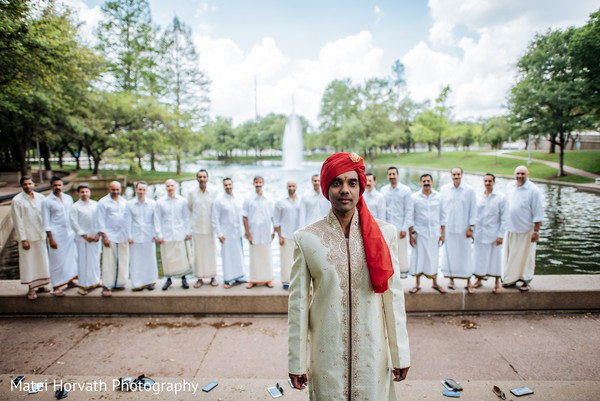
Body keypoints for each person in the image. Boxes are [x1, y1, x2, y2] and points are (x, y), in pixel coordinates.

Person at [288, 153, 410, 400]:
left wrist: (401, 354)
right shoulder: (306, 239)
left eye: (352, 183)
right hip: (326, 355)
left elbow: (393, 298)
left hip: (372, 353)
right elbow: (298, 305)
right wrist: (296, 361)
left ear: (360, 187)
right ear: (326, 188)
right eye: (337, 183)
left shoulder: (384, 234)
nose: (344, 190)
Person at [502, 166, 544, 291]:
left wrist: (536, 232)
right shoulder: (510, 186)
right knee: (510, 256)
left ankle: (525, 280)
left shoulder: (533, 190)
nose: (520, 176)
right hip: (510, 229)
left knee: (526, 257)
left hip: (526, 230)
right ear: (514, 174)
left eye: (523, 173)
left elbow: (538, 213)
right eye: (518, 173)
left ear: (528, 174)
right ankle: (509, 279)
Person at [10, 176, 51, 300]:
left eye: (29, 183)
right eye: (25, 184)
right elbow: (17, 221)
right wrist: (23, 239)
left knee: (42, 261)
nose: (28, 186)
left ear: (34, 184)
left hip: (40, 235)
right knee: (29, 263)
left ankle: (42, 285)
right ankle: (32, 288)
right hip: (28, 237)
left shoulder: (41, 198)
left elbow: (45, 217)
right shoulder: (17, 200)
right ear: (21, 186)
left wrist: (48, 234)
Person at [408, 174, 447, 294]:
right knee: (418, 258)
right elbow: (410, 217)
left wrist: (442, 234)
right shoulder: (415, 197)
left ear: (432, 182)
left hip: (434, 233)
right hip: (419, 233)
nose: (426, 183)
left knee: (434, 257)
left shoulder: (439, 197)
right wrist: (410, 236)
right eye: (424, 181)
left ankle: (435, 283)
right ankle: (417, 284)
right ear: (420, 183)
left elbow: (443, 217)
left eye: (428, 181)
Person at [440, 167, 477, 293]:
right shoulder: (444, 190)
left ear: (462, 175)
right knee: (449, 254)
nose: (456, 176)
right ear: (451, 175)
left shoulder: (469, 190)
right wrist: (442, 229)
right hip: (449, 228)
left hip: (464, 228)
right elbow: (441, 210)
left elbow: (473, 210)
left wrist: (471, 227)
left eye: (458, 174)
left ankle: (468, 281)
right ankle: (451, 280)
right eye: (454, 174)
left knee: (466, 255)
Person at [42, 176, 78, 296]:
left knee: (71, 258)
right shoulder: (47, 201)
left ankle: (70, 280)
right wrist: (50, 238)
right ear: (51, 186)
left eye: (59, 185)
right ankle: (56, 286)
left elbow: (72, 216)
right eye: (55, 185)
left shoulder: (68, 198)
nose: (57, 188)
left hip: (69, 233)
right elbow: (46, 222)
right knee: (56, 260)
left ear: (62, 186)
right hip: (56, 235)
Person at [472, 174, 506, 294]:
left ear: (494, 182)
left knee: (495, 259)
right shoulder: (478, 197)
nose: (487, 183)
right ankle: (479, 279)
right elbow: (474, 216)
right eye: (485, 181)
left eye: (490, 181)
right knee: (479, 258)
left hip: (494, 233)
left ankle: (497, 283)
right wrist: (472, 231)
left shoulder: (500, 197)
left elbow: (504, 218)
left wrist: (501, 235)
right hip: (480, 233)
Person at [156, 179, 192, 291]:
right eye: (168, 186)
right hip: (166, 234)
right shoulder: (160, 202)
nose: (170, 188)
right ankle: (168, 279)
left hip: (179, 232)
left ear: (175, 187)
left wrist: (187, 232)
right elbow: (157, 219)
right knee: (168, 258)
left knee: (181, 257)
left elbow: (186, 217)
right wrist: (159, 234)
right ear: (165, 188)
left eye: (172, 186)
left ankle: (183, 278)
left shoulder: (182, 201)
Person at [96, 181, 129, 297]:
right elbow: (100, 221)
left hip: (122, 235)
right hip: (109, 235)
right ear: (108, 189)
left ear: (121, 190)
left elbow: (127, 219)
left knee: (122, 260)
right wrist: (104, 236)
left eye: (117, 189)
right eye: (113, 189)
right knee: (109, 261)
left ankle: (119, 282)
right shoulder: (102, 202)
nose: (115, 192)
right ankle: (106, 285)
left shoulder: (124, 202)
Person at [212, 178, 246, 288]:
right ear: (223, 186)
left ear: (233, 185)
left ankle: (240, 277)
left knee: (239, 255)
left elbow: (243, 215)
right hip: (226, 234)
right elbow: (215, 218)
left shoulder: (239, 198)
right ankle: (228, 280)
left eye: (230, 184)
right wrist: (219, 234)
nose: (228, 187)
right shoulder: (219, 200)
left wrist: (245, 230)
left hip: (237, 232)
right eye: (226, 185)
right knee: (227, 257)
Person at [125, 181, 159, 291]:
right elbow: (127, 221)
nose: (142, 192)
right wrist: (129, 236)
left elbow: (155, 220)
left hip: (149, 235)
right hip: (135, 236)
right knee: (136, 260)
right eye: (140, 189)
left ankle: (150, 281)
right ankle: (137, 283)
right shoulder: (129, 204)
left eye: (144, 190)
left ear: (146, 191)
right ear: (136, 190)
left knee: (149, 259)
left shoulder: (152, 203)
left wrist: (155, 234)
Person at [187, 169, 218, 288]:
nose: (202, 179)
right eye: (200, 177)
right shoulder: (192, 193)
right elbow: (190, 207)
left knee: (211, 253)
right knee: (198, 254)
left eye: (204, 177)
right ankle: (199, 278)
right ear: (197, 179)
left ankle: (212, 276)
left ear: (207, 178)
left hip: (210, 228)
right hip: (197, 228)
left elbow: (216, 209)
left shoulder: (214, 192)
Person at [380, 166, 413, 278]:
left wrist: (404, 228)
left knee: (401, 254)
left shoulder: (406, 190)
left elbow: (409, 211)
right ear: (387, 176)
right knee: (388, 254)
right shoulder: (383, 190)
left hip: (400, 228)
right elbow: (382, 211)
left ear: (398, 175)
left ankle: (402, 278)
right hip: (387, 229)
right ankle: (390, 279)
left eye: (394, 174)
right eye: (390, 174)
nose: (392, 176)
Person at [243, 176, 275, 289]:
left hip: (266, 232)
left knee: (266, 257)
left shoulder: (269, 198)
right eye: (256, 182)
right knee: (254, 257)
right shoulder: (248, 199)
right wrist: (248, 233)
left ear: (263, 183)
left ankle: (268, 279)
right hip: (254, 232)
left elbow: (273, 217)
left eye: (260, 182)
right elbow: (245, 217)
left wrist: (273, 231)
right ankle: (253, 280)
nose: (258, 184)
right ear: (253, 184)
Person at [70, 183, 101, 295]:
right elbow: (74, 223)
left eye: (86, 192)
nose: (85, 194)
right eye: (82, 192)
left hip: (95, 238)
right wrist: (84, 235)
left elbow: (100, 220)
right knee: (83, 262)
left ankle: (95, 281)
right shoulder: (75, 207)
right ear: (78, 193)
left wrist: (98, 234)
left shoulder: (95, 204)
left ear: (89, 192)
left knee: (95, 260)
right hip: (83, 239)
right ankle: (83, 285)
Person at [273, 181, 301, 290]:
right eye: (289, 186)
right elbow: (276, 220)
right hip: (285, 234)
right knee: (285, 259)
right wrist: (279, 236)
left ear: (296, 187)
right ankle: (286, 281)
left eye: (293, 186)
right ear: (286, 187)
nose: (291, 188)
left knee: (298, 260)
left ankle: (297, 281)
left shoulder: (301, 200)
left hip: (298, 235)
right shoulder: (280, 202)